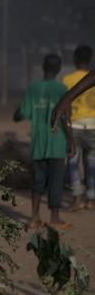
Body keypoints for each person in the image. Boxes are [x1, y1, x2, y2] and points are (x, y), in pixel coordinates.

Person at [14, 54, 73, 231]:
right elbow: (65, 118)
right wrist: (71, 141)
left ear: (43, 67)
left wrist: (16, 114)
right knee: (56, 181)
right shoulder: (62, 89)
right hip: (57, 141)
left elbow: (23, 113)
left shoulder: (33, 87)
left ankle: (34, 217)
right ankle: (54, 218)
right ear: (59, 68)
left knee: (38, 179)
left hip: (38, 141)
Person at [62, 45, 95, 211]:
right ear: (89, 60)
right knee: (91, 163)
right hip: (93, 125)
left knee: (73, 162)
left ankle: (77, 198)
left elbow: (65, 105)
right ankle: (91, 199)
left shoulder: (67, 79)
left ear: (75, 59)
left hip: (74, 125)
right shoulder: (93, 77)